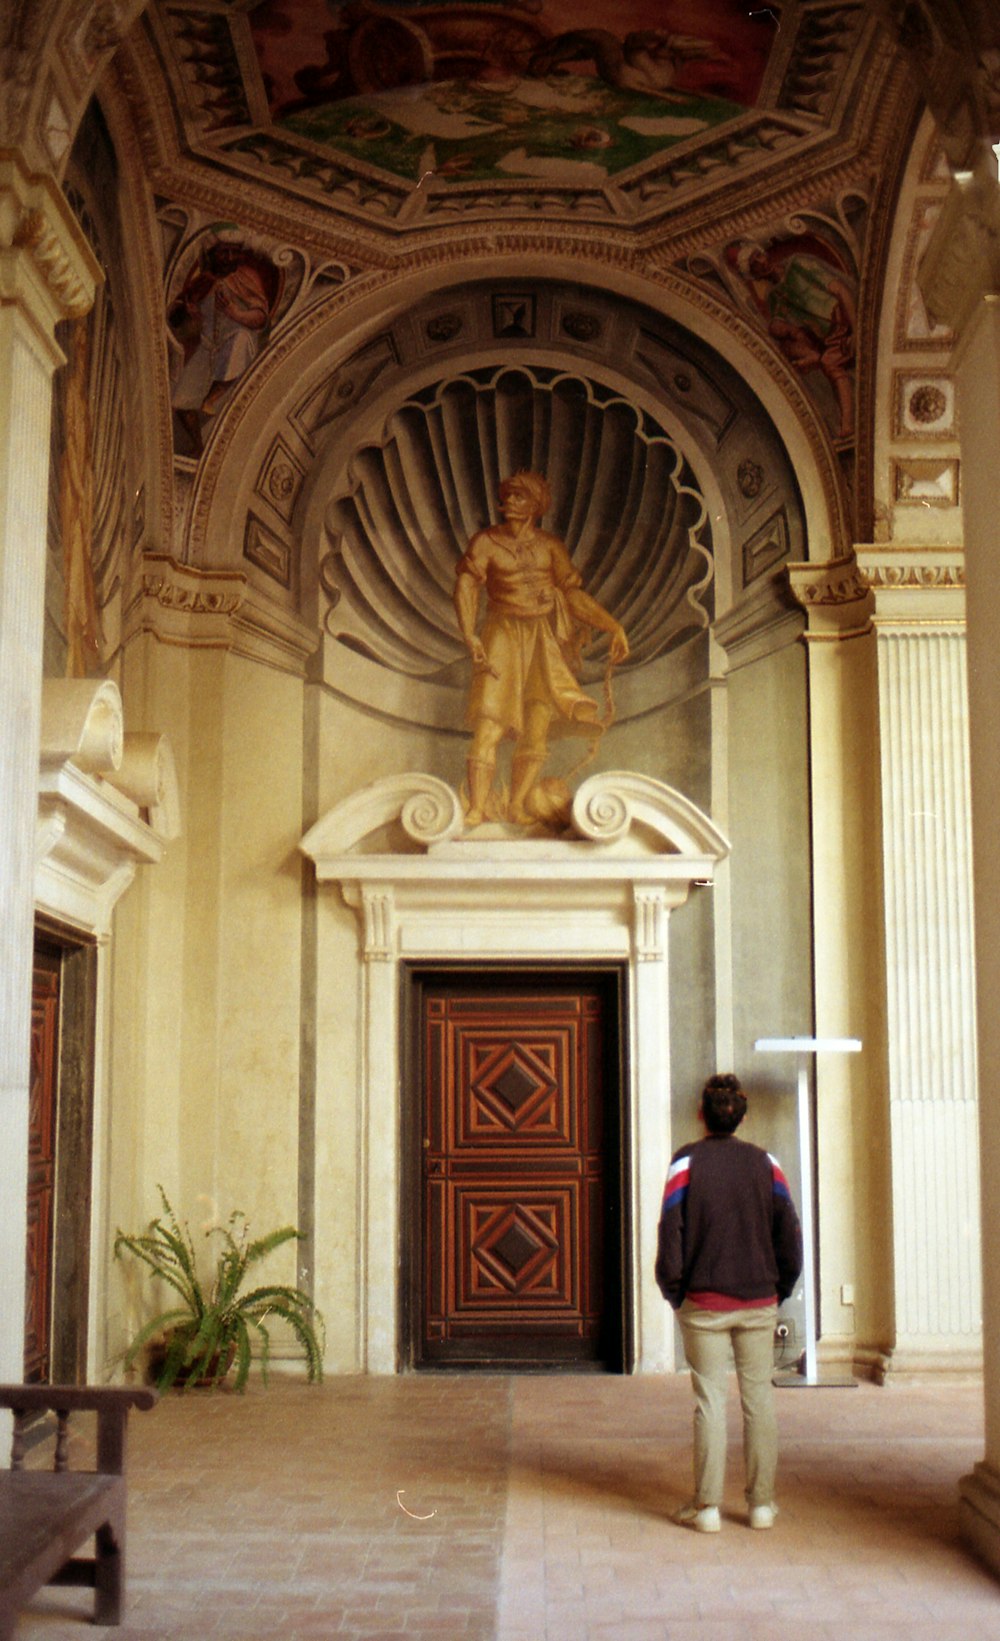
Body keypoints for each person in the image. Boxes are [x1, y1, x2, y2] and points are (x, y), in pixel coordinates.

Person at [655, 1072, 802, 1533]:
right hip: (759, 1298)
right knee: (758, 1400)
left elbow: (670, 1230)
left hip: (704, 1303)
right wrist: (780, 1287)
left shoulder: (686, 1162)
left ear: (702, 1113)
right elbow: (789, 1236)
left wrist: (674, 1289)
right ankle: (761, 1506)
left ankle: (708, 1509)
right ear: (741, 1114)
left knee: (710, 1402)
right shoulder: (767, 1164)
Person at [453, 470, 628, 826]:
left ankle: (517, 805)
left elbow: (573, 596)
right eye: (509, 495)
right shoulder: (486, 542)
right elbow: (467, 584)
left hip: (542, 641)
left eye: (520, 496)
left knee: (537, 725)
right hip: (501, 634)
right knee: (489, 723)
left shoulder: (550, 546)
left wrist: (613, 626)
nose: (511, 502)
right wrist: (469, 633)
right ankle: (476, 807)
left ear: (536, 505)